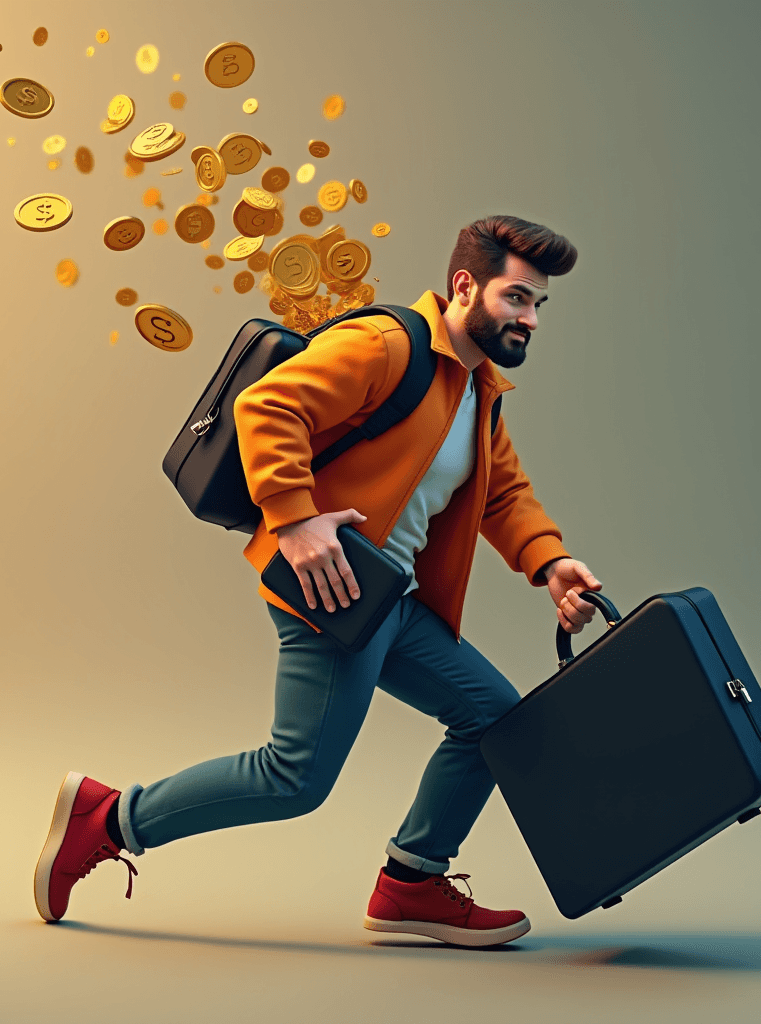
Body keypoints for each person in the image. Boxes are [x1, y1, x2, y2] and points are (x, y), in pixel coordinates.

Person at [34, 214, 603, 947]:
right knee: (293, 776)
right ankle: (108, 819)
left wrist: (548, 560)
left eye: (538, 305)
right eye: (517, 298)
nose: (530, 318)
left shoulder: (477, 387)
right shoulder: (386, 345)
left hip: (390, 599)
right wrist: (295, 518)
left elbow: (501, 495)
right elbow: (268, 404)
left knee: (497, 720)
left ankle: (411, 883)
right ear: (465, 285)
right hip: (333, 592)